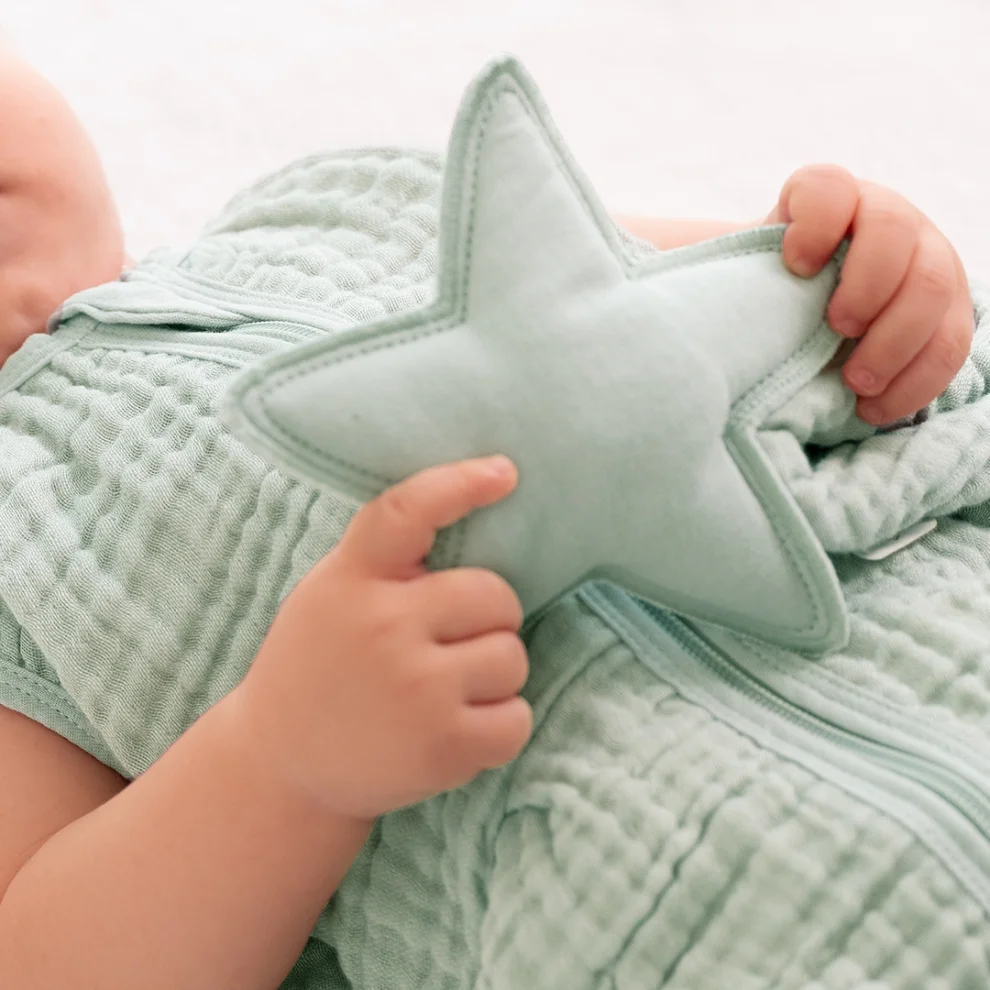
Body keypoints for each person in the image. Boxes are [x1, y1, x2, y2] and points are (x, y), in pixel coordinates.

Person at [0, 46, 976, 990]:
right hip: (729, 895)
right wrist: (280, 758)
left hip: (934, 620)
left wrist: (870, 285)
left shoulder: (338, 198)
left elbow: (721, 309)